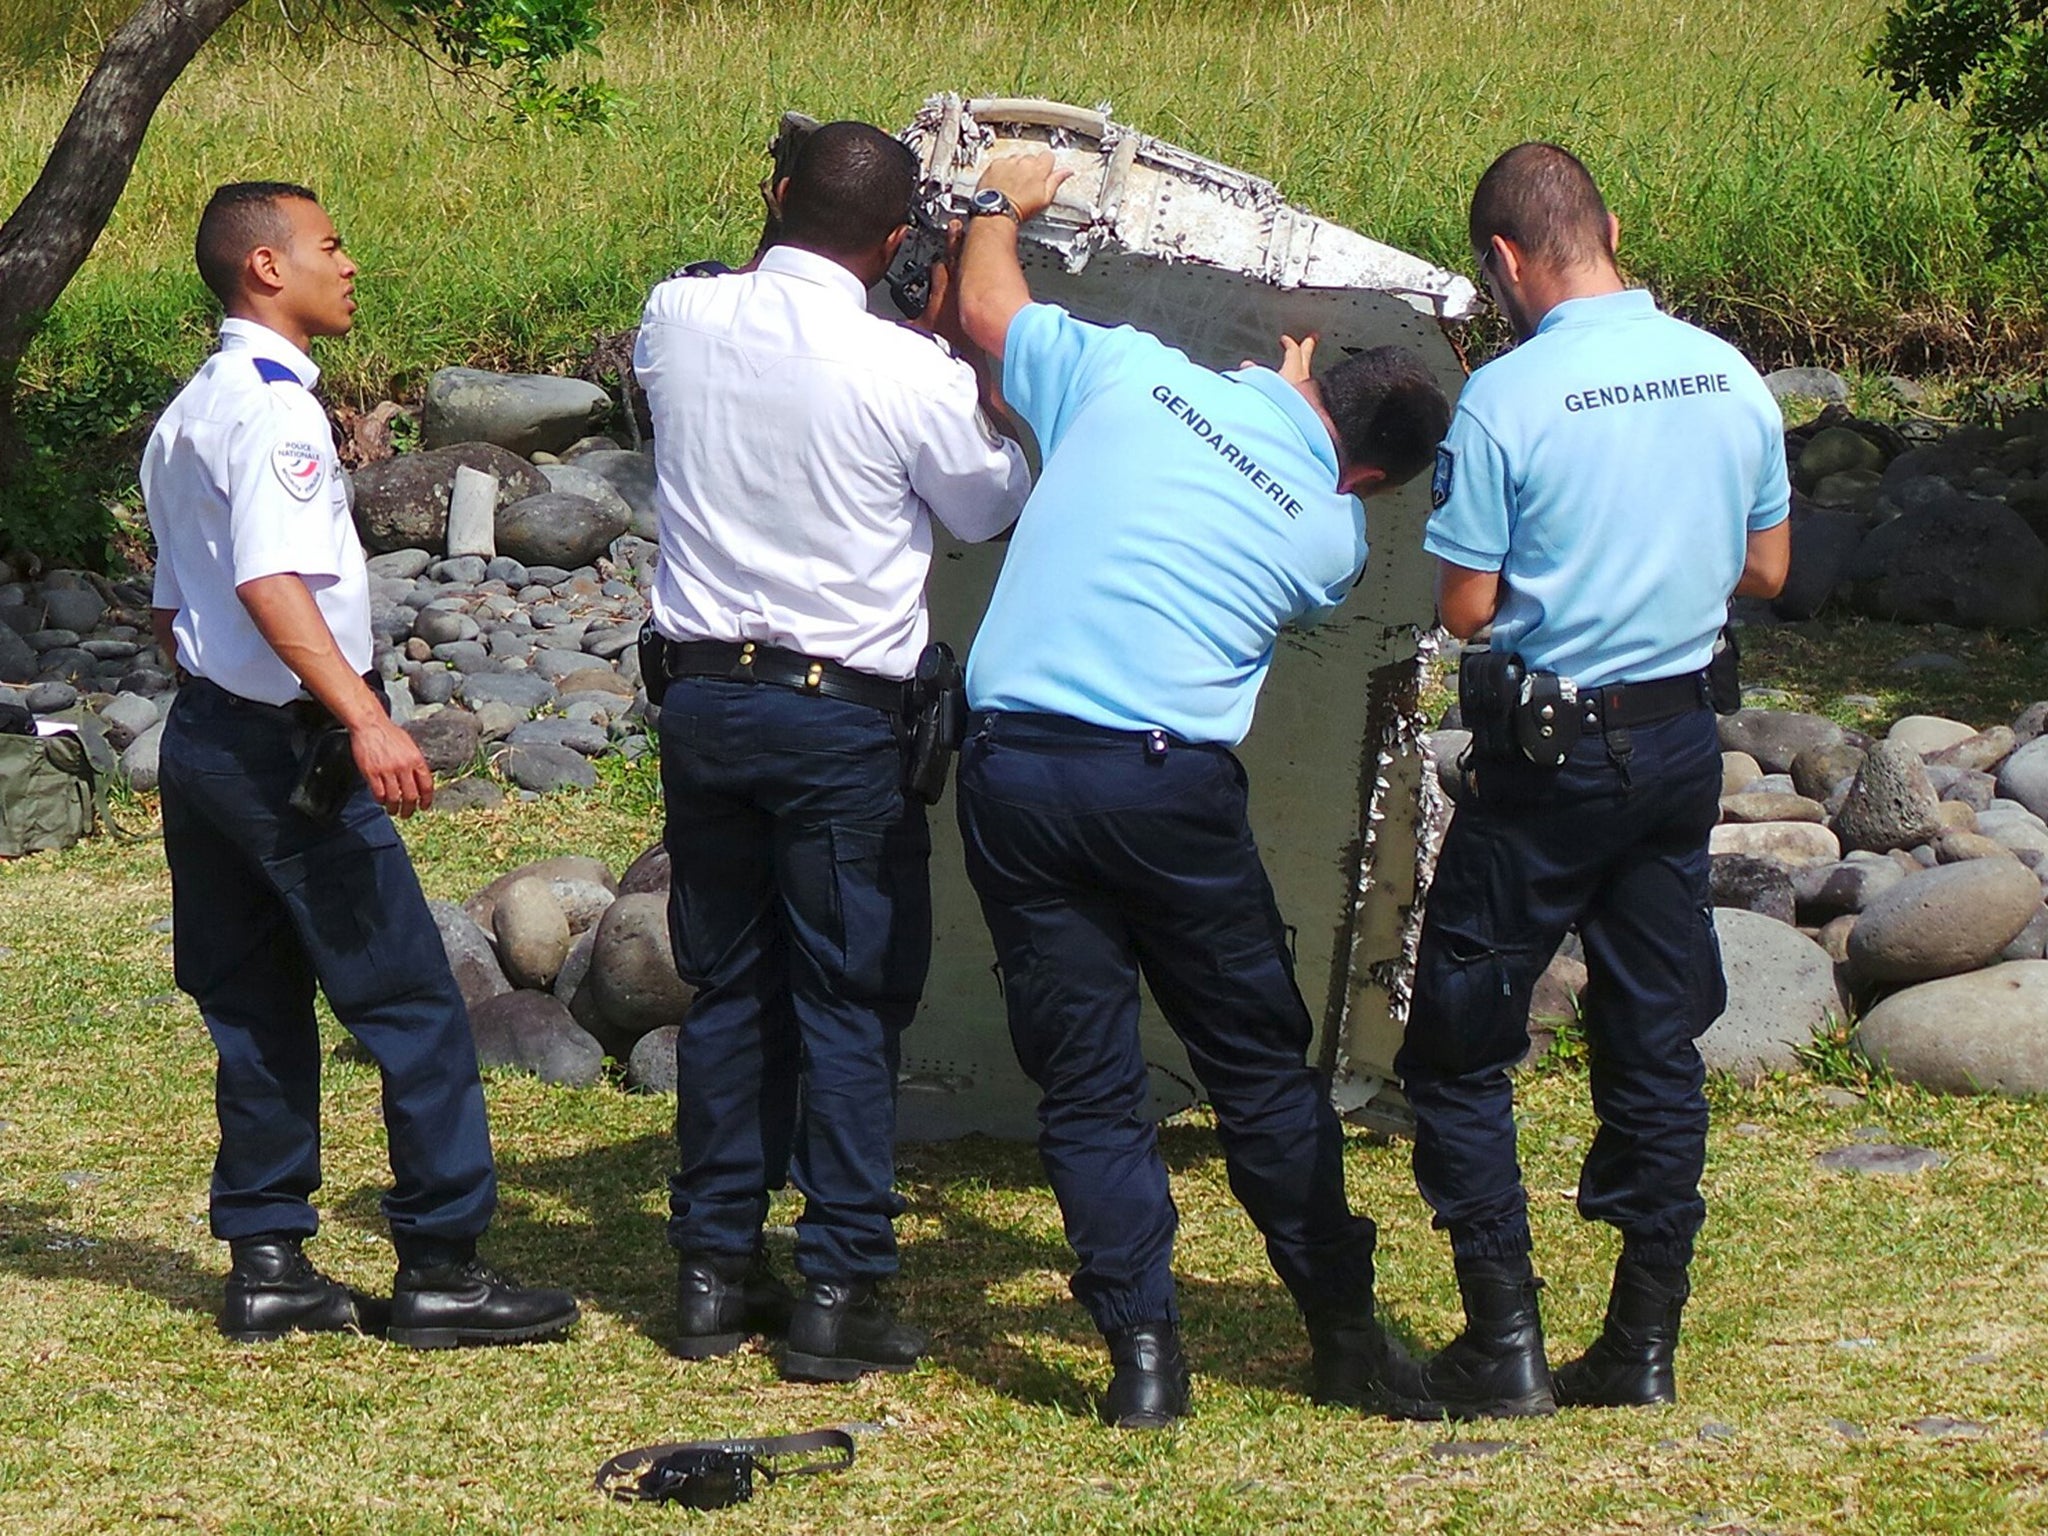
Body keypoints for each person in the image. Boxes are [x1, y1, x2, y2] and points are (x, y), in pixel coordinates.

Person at [949, 150, 1452, 1428]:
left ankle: (1141, 1361)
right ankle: (1340, 1334)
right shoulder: (1329, 534)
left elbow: (985, 315)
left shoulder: (1128, 375)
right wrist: (1296, 430)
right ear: (1376, 479)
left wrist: (998, 205)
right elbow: (1292, 482)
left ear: (1312, 375)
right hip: (1169, 793)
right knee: (1257, 1071)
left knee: (1086, 1078)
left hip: (1018, 770)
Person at [1387, 143, 1791, 1420]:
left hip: (1546, 761)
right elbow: (1766, 573)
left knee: (1457, 1046)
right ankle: (1641, 1342)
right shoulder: (1727, 374)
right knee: (1653, 1034)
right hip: (1679, 746)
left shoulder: (1507, 399)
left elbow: (1464, 606)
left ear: (1501, 262)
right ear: (1610, 226)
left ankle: (1500, 1342)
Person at [144, 182, 579, 1348]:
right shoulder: (278, 414)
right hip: (291, 746)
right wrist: (363, 719)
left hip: (205, 734)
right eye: (329, 244)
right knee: (412, 1003)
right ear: (265, 270)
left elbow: (171, 601)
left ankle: (269, 1259)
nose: (349, 262)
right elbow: (270, 582)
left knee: (254, 1005)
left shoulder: (190, 407)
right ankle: (441, 1263)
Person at [634, 121, 1030, 1381]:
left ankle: (710, 1269)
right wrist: (970, 357)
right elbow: (987, 504)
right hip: (837, 715)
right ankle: (839, 1284)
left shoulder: (675, 319)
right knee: (850, 1002)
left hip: (701, 701)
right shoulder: (901, 372)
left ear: (774, 201)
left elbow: (743, 297)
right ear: (899, 243)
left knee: (731, 987)